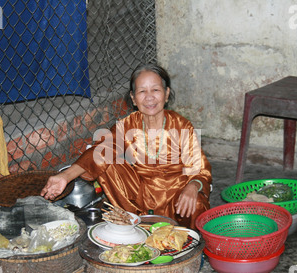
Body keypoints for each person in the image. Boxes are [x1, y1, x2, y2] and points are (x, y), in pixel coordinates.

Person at [41, 63, 212, 229]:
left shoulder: (182, 126)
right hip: (140, 196)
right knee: (109, 163)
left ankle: (189, 243)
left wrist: (193, 186)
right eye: (142, 91)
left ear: (166, 94)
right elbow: (100, 152)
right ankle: (135, 223)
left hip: (177, 196)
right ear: (133, 98)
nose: (149, 97)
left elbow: (201, 170)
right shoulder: (127, 125)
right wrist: (65, 176)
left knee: (195, 201)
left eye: (156, 90)